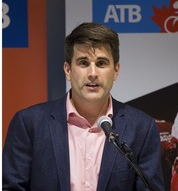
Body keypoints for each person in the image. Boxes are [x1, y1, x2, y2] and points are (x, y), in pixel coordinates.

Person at [3, 22, 164, 191]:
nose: (93, 73)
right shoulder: (29, 124)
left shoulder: (141, 128)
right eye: (83, 63)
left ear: (116, 70)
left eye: (101, 63)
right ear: (67, 70)